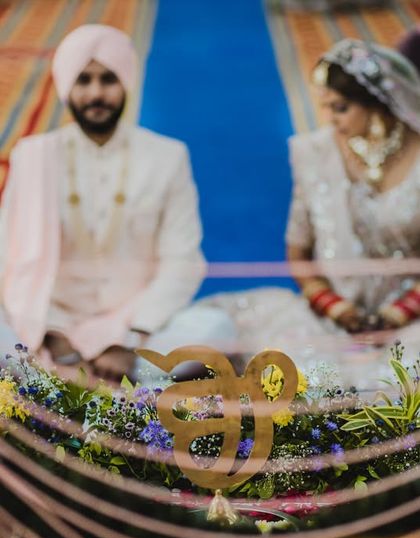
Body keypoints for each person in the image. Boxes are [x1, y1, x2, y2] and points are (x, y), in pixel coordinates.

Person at [0, 24, 234, 380]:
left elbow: (182, 261)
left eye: (108, 79)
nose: (96, 94)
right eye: (83, 80)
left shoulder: (167, 156)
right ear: (66, 85)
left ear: (126, 81)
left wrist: (129, 340)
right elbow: (11, 260)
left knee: (216, 330)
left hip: (137, 324)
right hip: (49, 323)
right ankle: (120, 387)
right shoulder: (33, 156)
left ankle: (64, 384)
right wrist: (53, 334)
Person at [199, 39, 420, 386]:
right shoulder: (315, 153)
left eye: (341, 108)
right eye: (325, 107)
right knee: (309, 380)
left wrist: (398, 313)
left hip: (411, 317)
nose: (330, 119)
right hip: (333, 316)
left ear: (377, 103)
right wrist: (337, 308)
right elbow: (298, 251)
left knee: (399, 384)